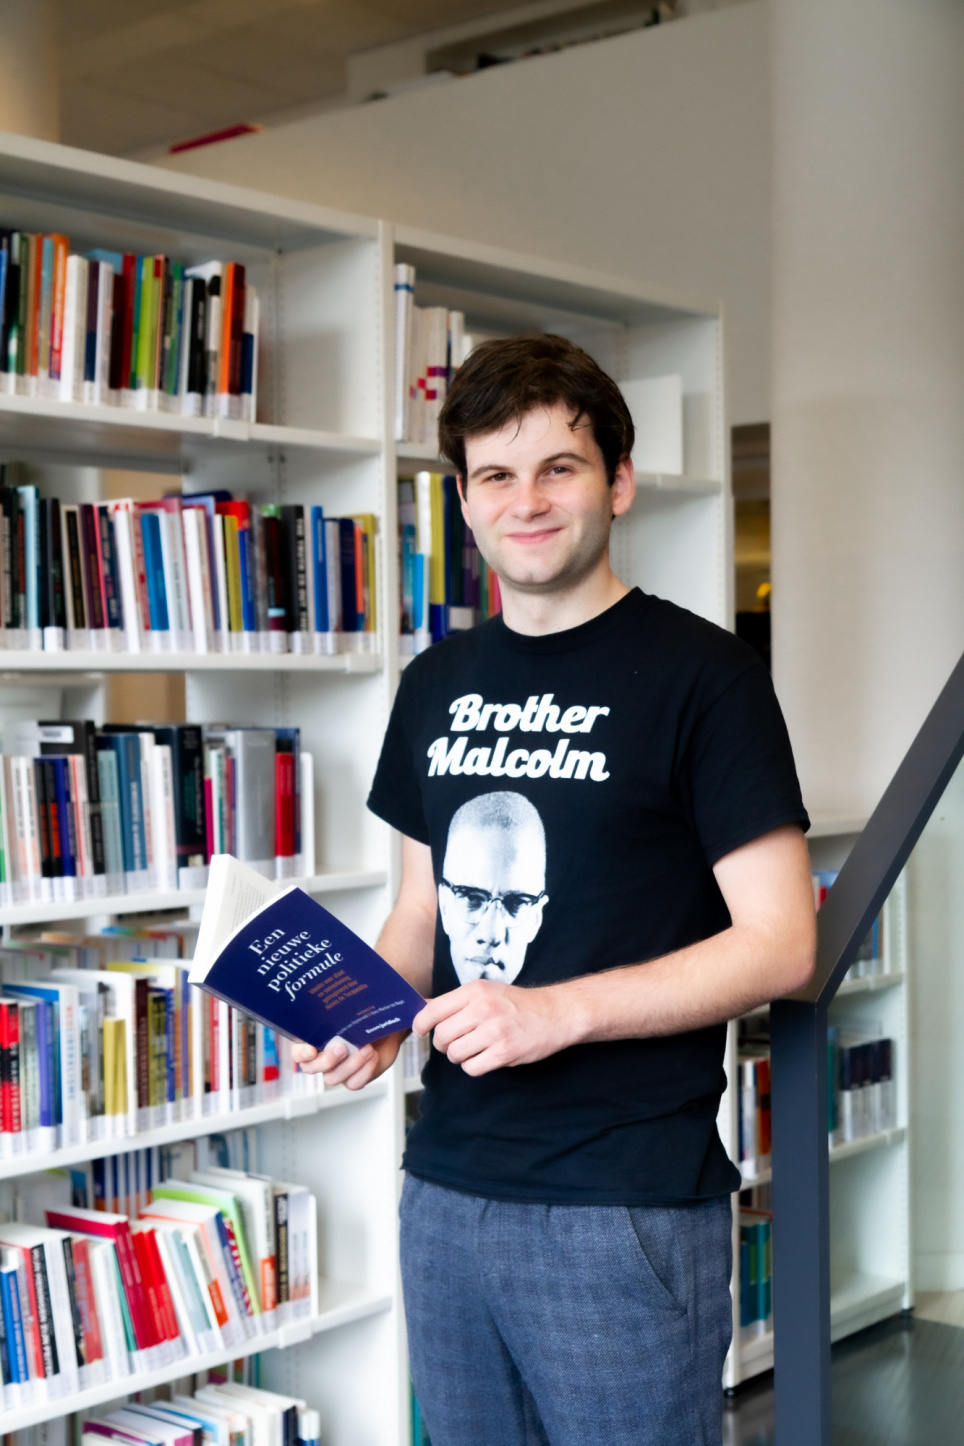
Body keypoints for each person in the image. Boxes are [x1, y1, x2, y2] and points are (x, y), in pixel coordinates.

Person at [292, 334, 816, 1446]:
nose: (524, 502)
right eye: (494, 475)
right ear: (465, 503)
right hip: (443, 1186)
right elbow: (417, 913)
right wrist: (365, 1018)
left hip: (619, 1202)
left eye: (557, 468)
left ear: (616, 482)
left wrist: (556, 1010)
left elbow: (779, 944)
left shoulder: (705, 680)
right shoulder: (434, 682)